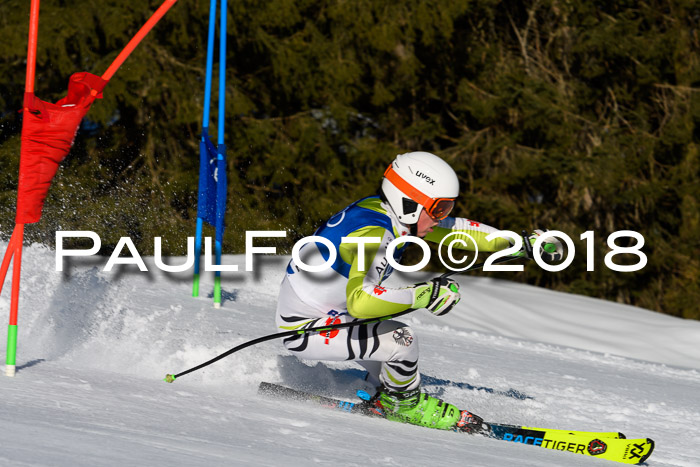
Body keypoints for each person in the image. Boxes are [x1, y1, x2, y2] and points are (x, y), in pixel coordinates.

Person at [275, 151, 560, 431]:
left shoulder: (387, 213)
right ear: (409, 203)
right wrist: (425, 294)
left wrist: (518, 244)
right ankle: (403, 406)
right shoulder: (374, 234)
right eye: (439, 209)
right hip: (306, 328)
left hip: (333, 315)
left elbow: (455, 230)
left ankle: (384, 393)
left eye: (447, 208)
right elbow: (361, 302)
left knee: (395, 365)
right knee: (402, 340)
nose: (441, 218)